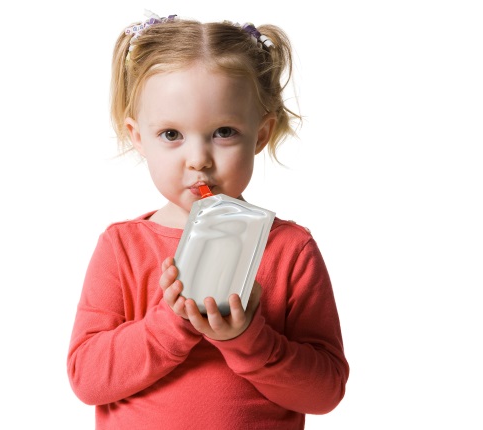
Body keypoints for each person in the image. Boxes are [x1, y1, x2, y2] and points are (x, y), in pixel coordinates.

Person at [67, 11, 349, 429]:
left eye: (223, 132)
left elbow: (325, 391)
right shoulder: (122, 246)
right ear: (138, 137)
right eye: (171, 135)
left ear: (260, 135)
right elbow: (87, 380)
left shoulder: (290, 250)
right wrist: (168, 324)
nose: (198, 159)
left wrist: (248, 340)